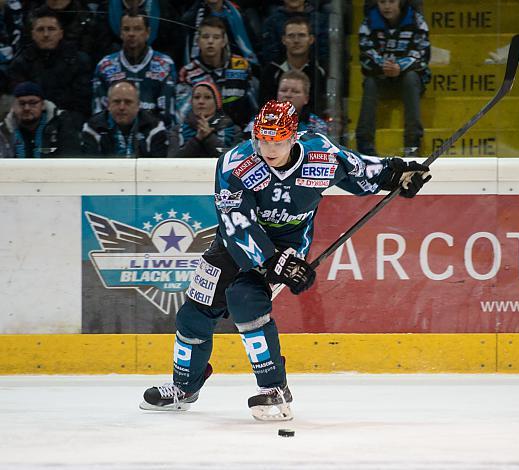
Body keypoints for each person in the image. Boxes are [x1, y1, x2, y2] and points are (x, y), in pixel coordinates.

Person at [139, 100, 431, 419]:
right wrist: (273, 263)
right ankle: (184, 386)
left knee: (245, 300)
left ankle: (275, 391)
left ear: (294, 137)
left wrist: (399, 174)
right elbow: (237, 223)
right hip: (235, 242)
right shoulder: (235, 164)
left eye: (277, 141)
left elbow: (360, 172)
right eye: (262, 139)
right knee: (193, 313)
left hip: (288, 243)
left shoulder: (320, 155)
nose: (268, 148)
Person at [355, 0, 431, 158]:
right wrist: (384, 66)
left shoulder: (417, 21)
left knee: (411, 78)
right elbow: (365, 54)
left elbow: (423, 54)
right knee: (370, 82)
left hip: (409, 77)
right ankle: (364, 144)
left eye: (391, 1)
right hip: (380, 76)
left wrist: (400, 67)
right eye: (382, 1)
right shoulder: (368, 22)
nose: (387, 6)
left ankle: (412, 143)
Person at [92, 10, 177, 127]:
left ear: (148, 32)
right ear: (120, 33)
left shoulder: (164, 64)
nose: (131, 34)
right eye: (126, 29)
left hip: (154, 134)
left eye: (137, 29)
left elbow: (167, 115)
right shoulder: (105, 66)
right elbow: (99, 114)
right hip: (114, 135)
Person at [8, 7, 92, 119]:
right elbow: (21, 102)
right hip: (32, 121)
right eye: (40, 29)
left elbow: (82, 105)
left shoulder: (80, 60)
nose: (46, 34)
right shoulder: (20, 62)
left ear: (61, 33)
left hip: (70, 122)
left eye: (51, 29)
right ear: (33, 34)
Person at [176, 16, 257, 128]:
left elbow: (254, 105)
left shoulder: (241, 65)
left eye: (216, 37)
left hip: (241, 129)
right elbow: (182, 114)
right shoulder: (188, 72)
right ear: (197, 41)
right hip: (203, 130)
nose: (210, 41)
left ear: (224, 41)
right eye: (205, 37)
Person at [82, 80, 169, 157]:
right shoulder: (92, 128)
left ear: (138, 105)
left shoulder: (155, 128)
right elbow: (91, 168)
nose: (122, 107)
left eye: (128, 102)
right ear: (108, 105)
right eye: (116, 101)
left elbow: (157, 168)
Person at [259, 15, 327, 115]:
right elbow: (265, 106)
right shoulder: (271, 71)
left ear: (311, 39)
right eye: (291, 36)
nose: (296, 40)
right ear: (283, 40)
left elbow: (321, 107)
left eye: (301, 35)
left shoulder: (320, 71)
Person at [0, 81, 81, 158]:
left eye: (33, 103)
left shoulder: (61, 122)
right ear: (14, 106)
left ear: (43, 105)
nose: (26, 108)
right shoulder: (4, 130)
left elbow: (72, 158)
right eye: (21, 103)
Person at [170, 80, 242, 157]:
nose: (201, 101)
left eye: (207, 97)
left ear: (217, 103)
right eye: (196, 97)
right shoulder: (177, 131)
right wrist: (197, 139)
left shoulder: (234, 130)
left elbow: (233, 161)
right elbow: (171, 162)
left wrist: (209, 137)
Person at [246, 69, 327, 137]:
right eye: (283, 90)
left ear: (306, 99)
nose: (288, 95)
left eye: (295, 92)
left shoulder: (318, 125)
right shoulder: (259, 121)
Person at [182, 0, 258, 67]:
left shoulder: (237, 14)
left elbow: (254, 44)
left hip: (237, 66)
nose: (210, 41)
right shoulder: (192, 18)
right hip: (203, 71)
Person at [259, 0, 329, 66]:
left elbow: (324, 52)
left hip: (315, 72)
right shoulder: (271, 22)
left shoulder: (320, 20)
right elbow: (271, 54)